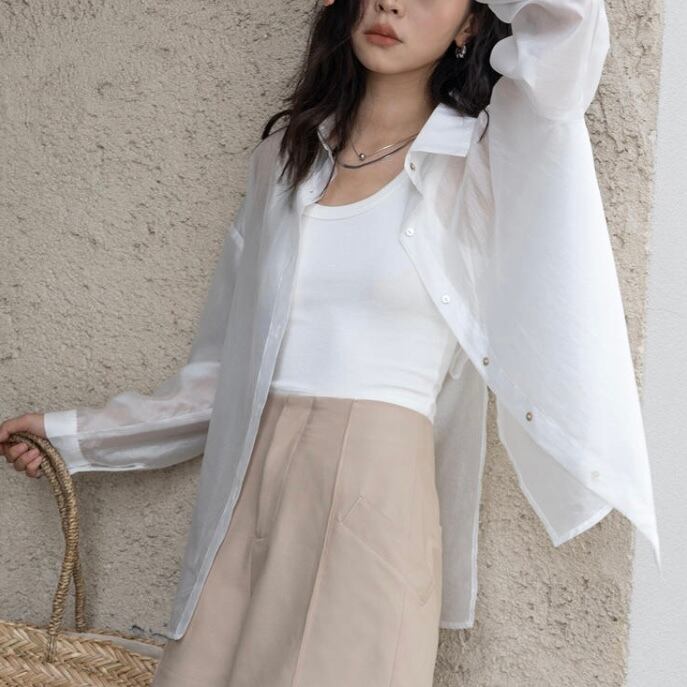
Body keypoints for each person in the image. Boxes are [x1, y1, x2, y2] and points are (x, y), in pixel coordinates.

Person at [1, 1, 661, 685]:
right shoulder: (285, 161)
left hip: (376, 494)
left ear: (470, 24)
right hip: (248, 487)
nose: (391, 4)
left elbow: (569, 28)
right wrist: (74, 436)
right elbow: (224, 375)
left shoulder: (483, 157)